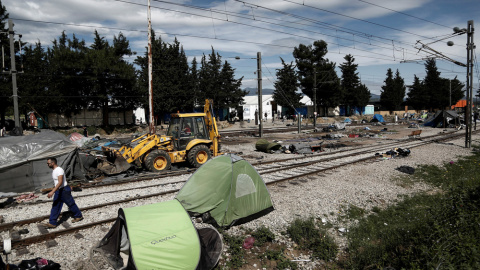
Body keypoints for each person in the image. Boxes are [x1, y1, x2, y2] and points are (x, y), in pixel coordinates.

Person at [43, 157, 83, 228]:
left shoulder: (59, 170)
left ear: (53, 163)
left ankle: (78, 216)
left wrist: (52, 191)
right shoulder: (54, 170)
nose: (47, 164)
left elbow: (60, 182)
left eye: (48, 163)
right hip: (59, 190)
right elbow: (57, 182)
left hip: (64, 190)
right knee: (55, 206)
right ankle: (52, 223)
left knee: (71, 204)